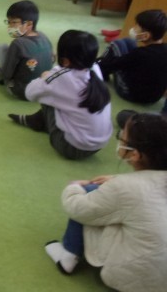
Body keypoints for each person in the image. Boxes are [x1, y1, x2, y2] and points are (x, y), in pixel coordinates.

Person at [44, 113, 167, 291]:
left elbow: (78, 208)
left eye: (122, 137)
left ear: (135, 154)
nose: (120, 139)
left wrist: (75, 187)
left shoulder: (124, 187)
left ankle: (68, 255)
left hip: (133, 277)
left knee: (90, 192)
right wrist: (116, 180)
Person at [9, 30, 112, 160]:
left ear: (66, 60)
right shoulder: (95, 69)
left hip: (71, 147)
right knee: (60, 97)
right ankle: (38, 120)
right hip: (98, 145)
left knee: (48, 94)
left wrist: (45, 76)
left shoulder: (61, 77)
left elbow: (29, 93)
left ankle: (38, 122)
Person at [0, 0, 54, 99]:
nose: (10, 26)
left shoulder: (17, 44)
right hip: (43, 89)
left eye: (14, 22)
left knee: (1, 47)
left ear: (29, 24)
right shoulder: (43, 36)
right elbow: (52, 59)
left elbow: (6, 74)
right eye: (8, 22)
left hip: (20, 90)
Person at [97, 9, 167, 104]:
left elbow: (116, 64)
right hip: (154, 97)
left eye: (137, 27)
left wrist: (102, 62)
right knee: (129, 41)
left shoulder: (141, 53)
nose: (133, 29)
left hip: (131, 93)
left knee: (116, 44)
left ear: (145, 36)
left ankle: (99, 70)